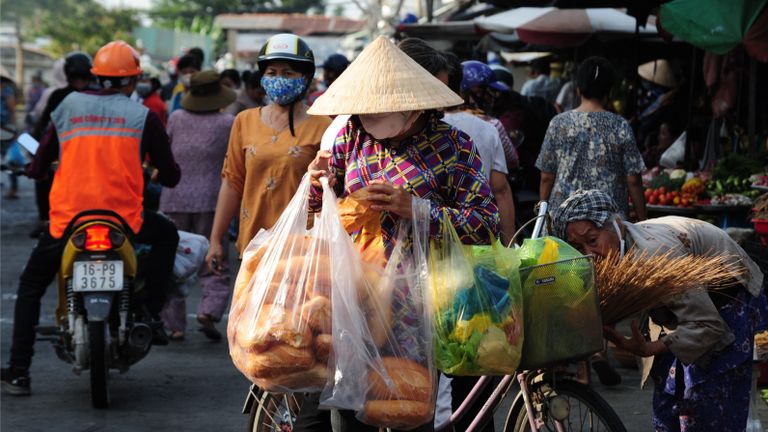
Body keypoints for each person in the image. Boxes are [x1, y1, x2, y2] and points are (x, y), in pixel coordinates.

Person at [304, 36, 499, 432]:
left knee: (410, 415)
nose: (374, 123)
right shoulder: (351, 137)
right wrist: (315, 182)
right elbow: (319, 211)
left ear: (414, 107)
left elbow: (485, 223)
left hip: (421, 307)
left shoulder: (455, 147)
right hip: (355, 298)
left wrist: (418, 210)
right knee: (351, 413)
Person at [0, 40, 181, 396]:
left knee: (31, 286)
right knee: (167, 237)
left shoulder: (68, 105)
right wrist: (162, 174)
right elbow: (171, 173)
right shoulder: (141, 115)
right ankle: (149, 313)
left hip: (69, 218)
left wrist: (36, 170)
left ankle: (19, 371)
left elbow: (41, 159)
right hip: (125, 218)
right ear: (133, 79)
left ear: (96, 77)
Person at [551, 189, 767, 432]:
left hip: (726, 303)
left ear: (617, 225)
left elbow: (708, 324)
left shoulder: (656, 257)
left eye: (592, 240)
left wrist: (651, 347)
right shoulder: (610, 255)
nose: (587, 254)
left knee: (703, 406)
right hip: (679, 311)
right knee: (668, 404)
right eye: (577, 247)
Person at [205, 33, 330, 272]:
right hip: (253, 244)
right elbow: (232, 183)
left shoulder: (323, 125)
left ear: (305, 78)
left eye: (288, 73)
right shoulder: (244, 121)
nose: (278, 79)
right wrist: (215, 239)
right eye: (271, 73)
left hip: (303, 248)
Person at [159, 70, 235, 341]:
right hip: (212, 200)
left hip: (174, 197)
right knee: (215, 258)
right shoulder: (228, 122)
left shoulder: (177, 118)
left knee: (172, 259)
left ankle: (174, 324)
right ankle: (209, 309)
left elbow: (166, 151)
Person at [536, 56, 647, 221]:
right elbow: (633, 181)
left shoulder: (558, 123)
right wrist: (644, 221)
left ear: (578, 89)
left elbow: (546, 177)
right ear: (609, 91)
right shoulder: (620, 125)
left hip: (563, 220)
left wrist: (542, 215)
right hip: (607, 224)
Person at [443, 56, 516, 246]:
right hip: (478, 238)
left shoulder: (416, 129)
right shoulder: (489, 127)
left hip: (433, 239)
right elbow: (500, 190)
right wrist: (509, 248)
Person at [28, 52, 95, 238]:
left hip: (64, 158)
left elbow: (45, 128)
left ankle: (44, 222)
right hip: (91, 158)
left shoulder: (59, 96)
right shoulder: (98, 94)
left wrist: (37, 159)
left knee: (42, 180)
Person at [0, 73, 19, 199]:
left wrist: (13, 128)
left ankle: (13, 188)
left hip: (5, 129)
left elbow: (12, 110)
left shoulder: (7, 91)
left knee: (10, 160)